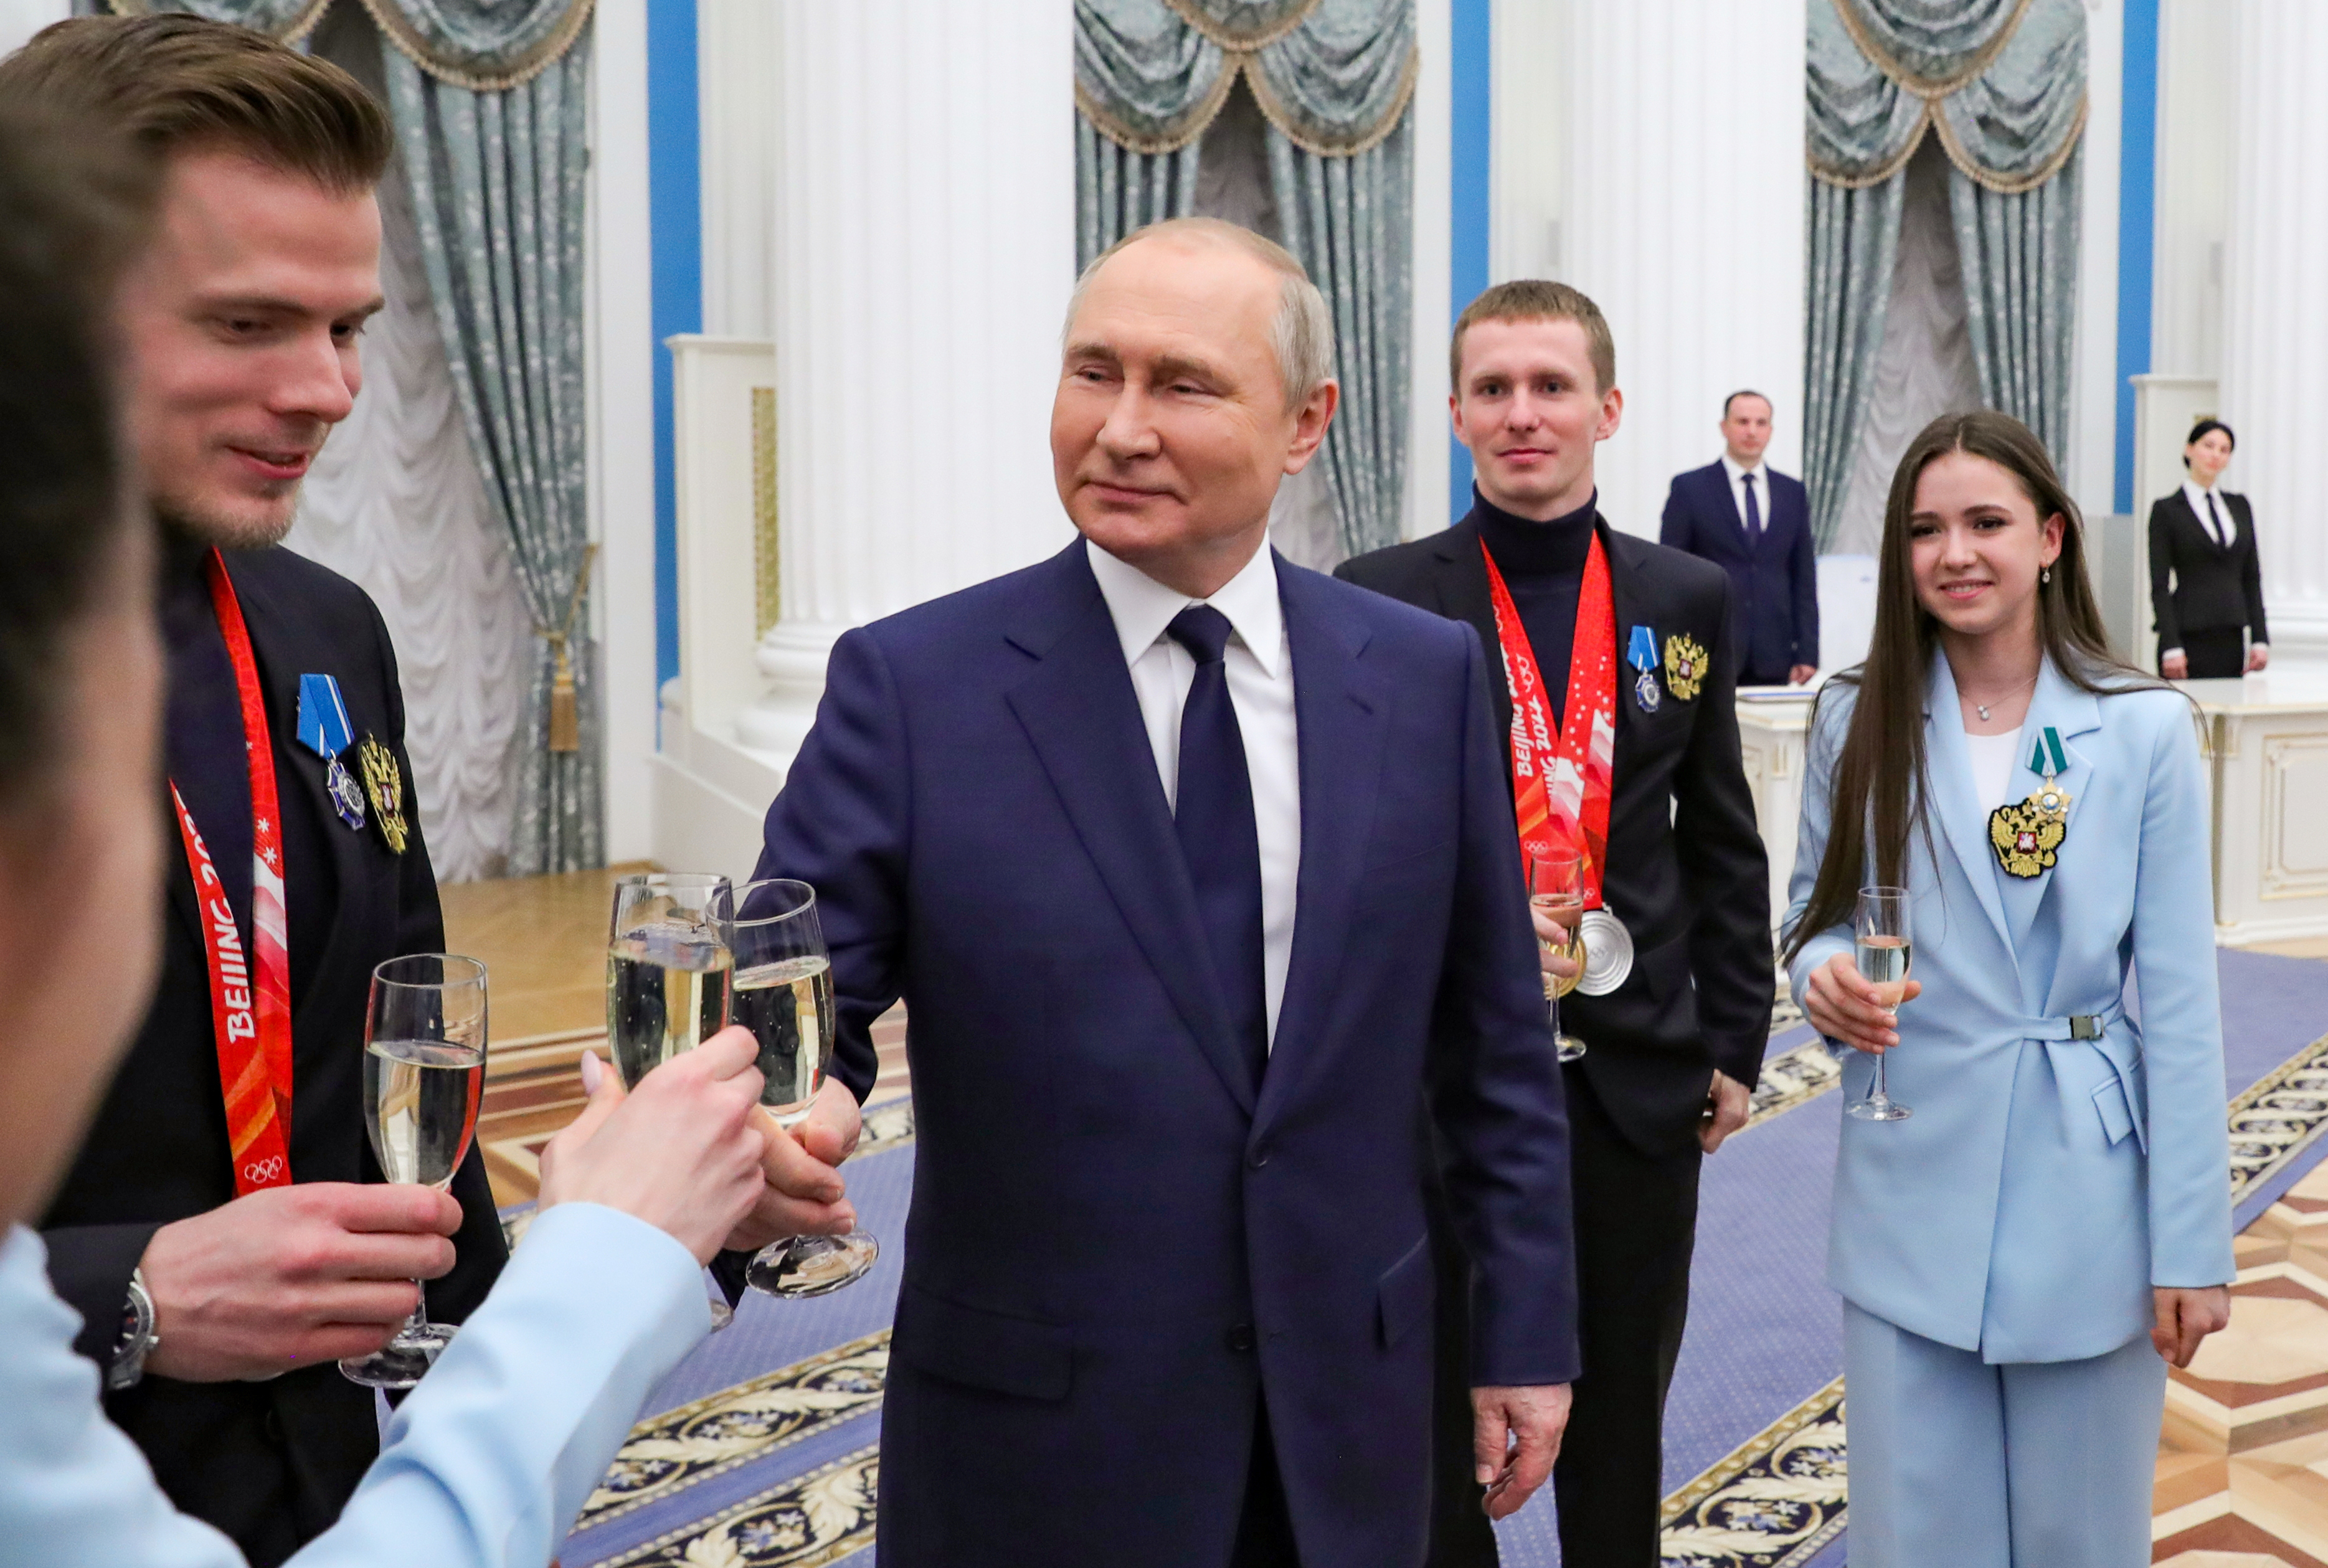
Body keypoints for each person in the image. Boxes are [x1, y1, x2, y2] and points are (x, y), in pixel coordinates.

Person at [0, 18, 860, 1562]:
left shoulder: (320, 624)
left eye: (349, 329)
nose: (327, 389)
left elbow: (389, 1045)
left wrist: (658, 1231)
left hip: (332, 1461)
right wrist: (119, 1294)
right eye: (252, 322)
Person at [753, 217, 1579, 1567]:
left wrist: (1527, 1333)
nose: (1121, 428)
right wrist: (799, 1102)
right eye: (1094, 373)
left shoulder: (1422, 677)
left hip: (1351, 1420)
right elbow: (793, 1000)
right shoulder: (917, 688)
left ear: (1306, 421)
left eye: (1182, 384)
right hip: (1045, 1450)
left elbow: (1493, 1043)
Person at [1338, 280, 1773, 1568]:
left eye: (1551, 386)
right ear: (1459, 412)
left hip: (1639, 1078)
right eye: (1494, 388)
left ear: (1608, 408)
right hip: (1442, 1082)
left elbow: (1720, 837)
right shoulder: (1377, 597)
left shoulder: (1685, 594)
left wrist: (1737, 1040)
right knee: (1443, 1408)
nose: (1523, 414)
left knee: (1622, 1410)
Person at [1787, 410, 2232, 1567]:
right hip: (1906, 1165)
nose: (1953, 551)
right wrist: (1818, 975)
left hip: (2086, 1184)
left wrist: (2191, 1242)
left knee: (2076, 1538)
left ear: (2048, 537)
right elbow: (1811, 912)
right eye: (1924, 528)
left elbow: (2180, 1003)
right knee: (1912, 1539)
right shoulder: (1856, 713)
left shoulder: (2138, 728)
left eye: (1984, 521)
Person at [1658, 390, 1819, 685]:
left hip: (1775, 653)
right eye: (1743, 421)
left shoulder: (1792, 492)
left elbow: (1803, 576)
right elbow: (1671, 575)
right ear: (1725, 427)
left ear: (1771, 430)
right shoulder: (1690, 489)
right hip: (1708, 649)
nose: (1752, 431)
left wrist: (1807, 651)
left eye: (1761, 423)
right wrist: (1676, 645)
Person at [2149, 417, 2269, 679]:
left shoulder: (2239, 506)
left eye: (2224, 450)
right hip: (2187, 635)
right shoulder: (2167, 510)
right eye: (2209, 445)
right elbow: (2160, 584)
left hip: (2231, 634)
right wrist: (2171, 644)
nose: (2216, 455)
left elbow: (2251, 576)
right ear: (2189, 449)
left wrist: (2260, 638)